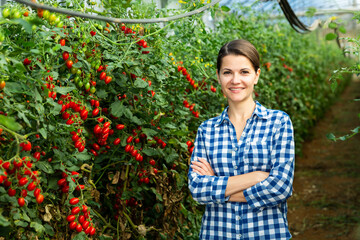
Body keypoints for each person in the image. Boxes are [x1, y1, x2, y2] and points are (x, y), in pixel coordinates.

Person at [188, 39, 295, 240]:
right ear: (218, 77)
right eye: (227, 72)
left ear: (257, 75)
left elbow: (281, 187)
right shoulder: (207, 130)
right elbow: (198, 189)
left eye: (244, 72)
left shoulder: (278, 122)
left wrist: (217, 185)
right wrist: (256, 177)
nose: (235, 80)